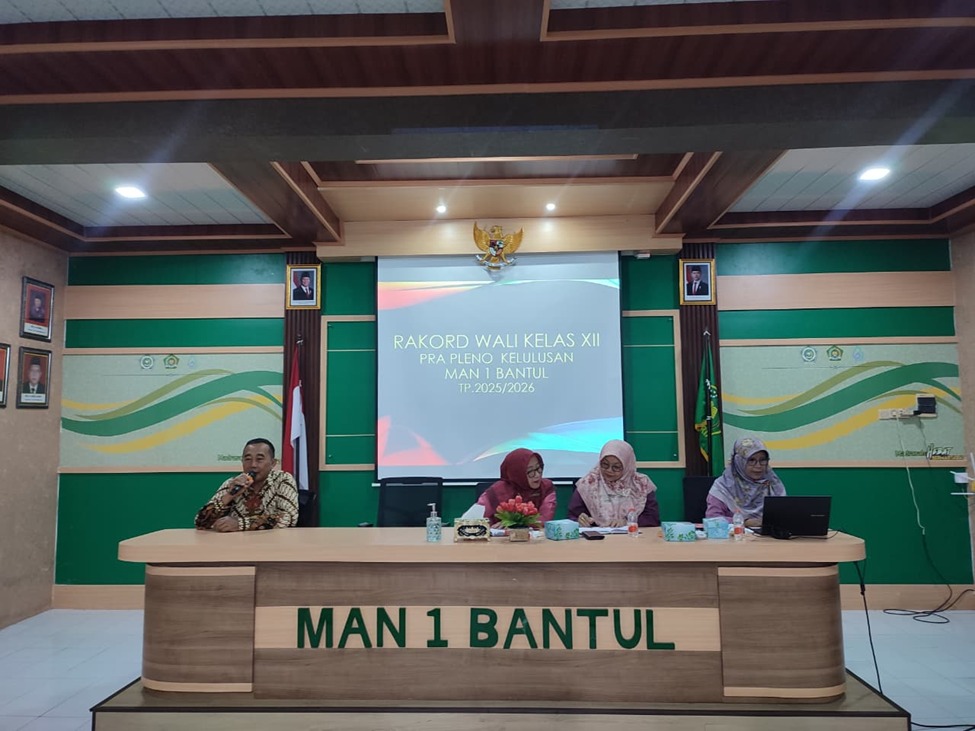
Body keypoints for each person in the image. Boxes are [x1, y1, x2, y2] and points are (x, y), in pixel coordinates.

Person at [195, 438, 299, 531]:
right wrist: (230, 495)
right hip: (237, 543)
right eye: (248, 459)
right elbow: (200, 522)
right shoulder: (233, 483)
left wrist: (241, 524)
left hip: (272, 543)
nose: (253, 465)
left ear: (273, 463)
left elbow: (288, 517)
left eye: (259, 459)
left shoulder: (282, 479)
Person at [568, 440, 660, 528]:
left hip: (633, 536)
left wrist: (627, 522)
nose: (609, 470)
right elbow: (573, 517)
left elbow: (652, 519)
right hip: (598, 537)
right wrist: (581, 520)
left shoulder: (641, 484)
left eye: (616, 467)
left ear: (627, 466)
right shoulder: (588, 484)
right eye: (605, 465)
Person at [705, 436, 786, 527]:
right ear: (738, 461)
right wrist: (744, 522)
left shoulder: (772, 483)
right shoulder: (722, 486)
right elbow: (712, 519)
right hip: (734, 535)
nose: (758, 466)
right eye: (751, 460)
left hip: (769, 535)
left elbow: (783, 515)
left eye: (762, 460)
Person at [476, 448, 556, 527]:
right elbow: (475, 519)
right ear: (517, 473)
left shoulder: (546, 487)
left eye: (538, 468)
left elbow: (544, 520)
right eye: (530, 471)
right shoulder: (497, 491)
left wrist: (511, 524)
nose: (537, 475)